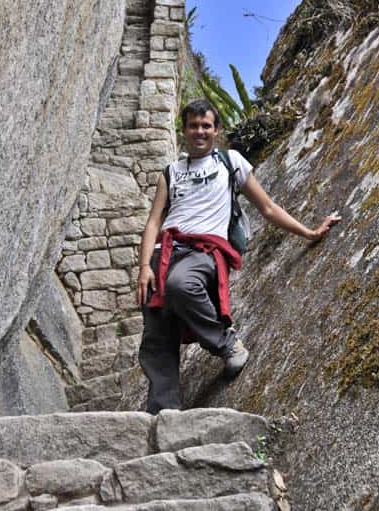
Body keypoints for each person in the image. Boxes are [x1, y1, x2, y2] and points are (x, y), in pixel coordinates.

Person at [136, 99, 340, 414]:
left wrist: (309, 232)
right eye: (193, 125)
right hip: (164, 252)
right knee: (157, 334)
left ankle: (226, 344)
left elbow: (267, 208)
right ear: (184, 130)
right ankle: (163, 412)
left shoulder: (230, 162)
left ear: (216, 130)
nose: (199, 131)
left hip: (204, 249)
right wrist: (143, 268)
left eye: (206, 125)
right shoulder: (171, 172)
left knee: (181, 285)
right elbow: (153, 222)